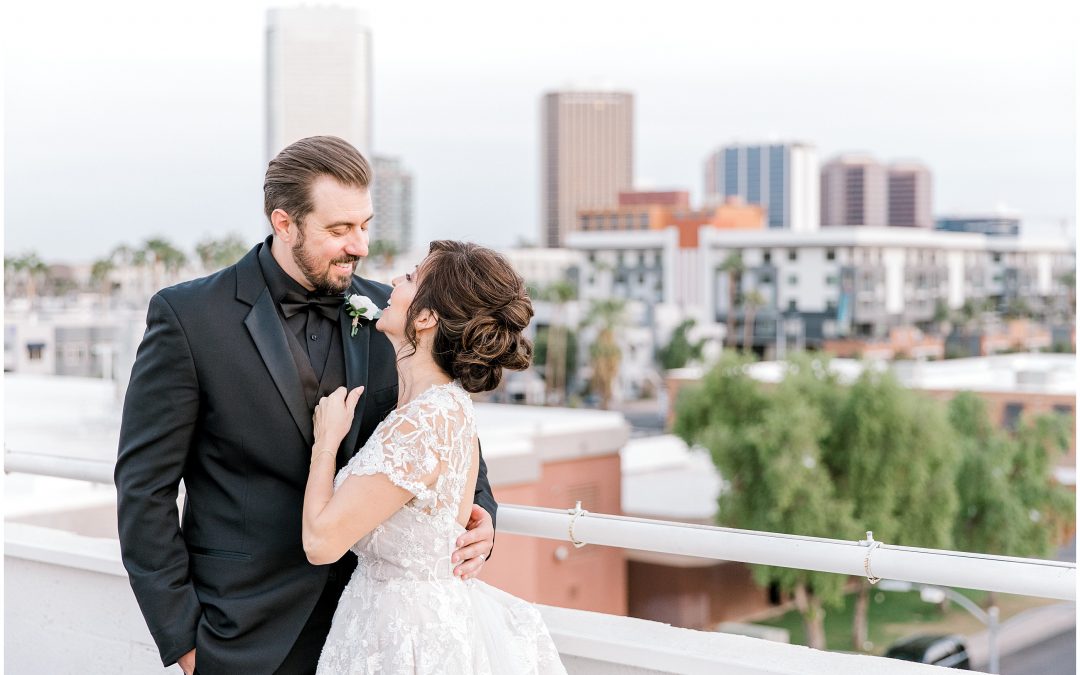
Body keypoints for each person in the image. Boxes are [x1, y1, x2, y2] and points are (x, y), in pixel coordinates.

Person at [114, 136, 497, 675]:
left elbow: (446, 436)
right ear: (285, 223)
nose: (359, 245)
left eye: (365, 224)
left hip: (373, 630)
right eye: (339, 230)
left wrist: (484, 520)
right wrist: (184, 642)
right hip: (243, 633)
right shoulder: (189, 318)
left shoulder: (399, 316)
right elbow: (143, 489)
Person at [304, 240, 565, 674]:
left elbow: (320, 542)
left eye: (409, 278)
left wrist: (326, 443)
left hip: (403, 638)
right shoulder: (448, 406)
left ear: (425, 318)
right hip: (410, 620)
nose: (392, 281)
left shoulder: (421, 425)